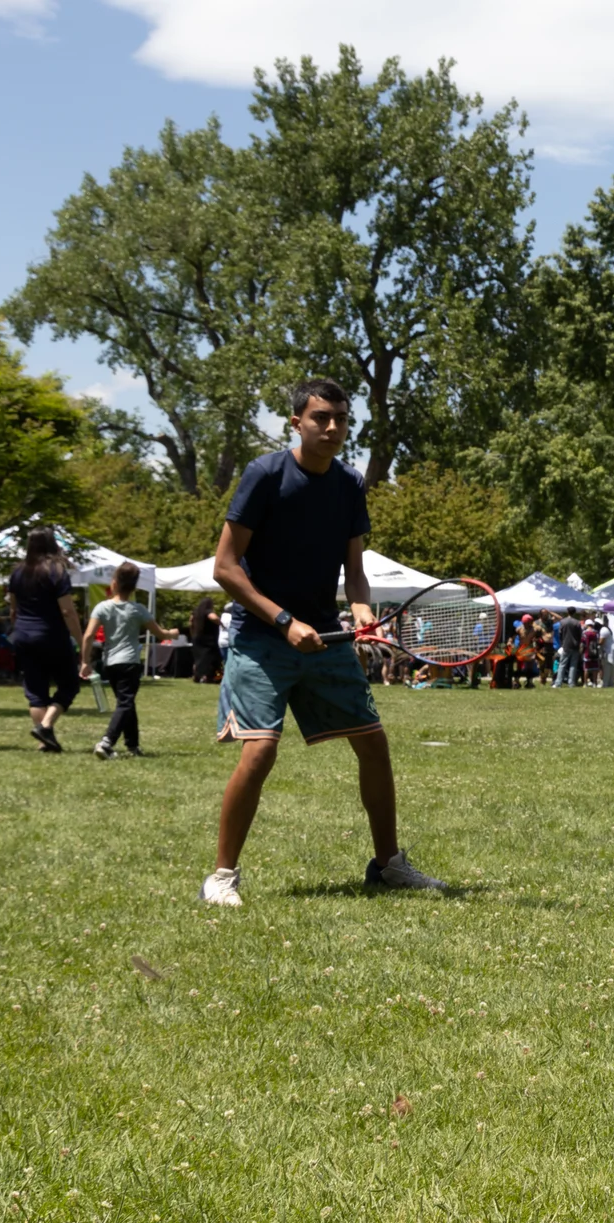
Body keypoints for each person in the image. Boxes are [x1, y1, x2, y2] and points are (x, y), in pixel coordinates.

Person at [202, 377, 443, 909]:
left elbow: (354, 571)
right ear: (296, 422)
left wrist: (361, 613)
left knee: (373, 744)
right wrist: (284, 620)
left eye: (340, 419)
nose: (332, 427)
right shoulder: (265, 475)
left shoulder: (350, 484)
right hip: (262, 637)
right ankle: (221, 876)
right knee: (261, 751)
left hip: (325, 635)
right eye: (320, 418)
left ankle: (388, 866)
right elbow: (225, 568)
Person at [81, 561, 176, 759]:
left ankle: (133, 746)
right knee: (125, 702)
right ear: (134, 587)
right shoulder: (138, 609)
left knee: (127, 703)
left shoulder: (102, 607)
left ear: (114, 583)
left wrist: (85, 661)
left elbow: (88, 636)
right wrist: (172, 634)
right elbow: (159, 633)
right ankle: (107, 742)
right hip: (130, 663)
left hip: (111, 663)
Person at [8, 526, 84, 752]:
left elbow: (13, 609)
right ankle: (46, 725)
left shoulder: (17, 572)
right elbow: (68, 611)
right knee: (69, 684)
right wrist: (81, 641)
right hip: (51, 634)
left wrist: (20, 630)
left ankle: (45, 741)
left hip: (23, 634)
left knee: (35, 690)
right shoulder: (57, 571)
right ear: (52, 544)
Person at [190, 595, 221, 683]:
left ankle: (196, 676)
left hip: (197, 638)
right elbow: (213, 617)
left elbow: (190, 621)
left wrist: (193, 632)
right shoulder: (208, 611)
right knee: (209, 659)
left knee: (198, 659)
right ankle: (208, 677)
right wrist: (221, 623)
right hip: (209, 639)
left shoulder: (195, 612)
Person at [556, 607, 584, 687]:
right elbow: (580, 635)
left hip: (566, 645)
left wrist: (562, 642)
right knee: (573, 665)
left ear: (567, 612)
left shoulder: (563, 622)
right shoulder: (577, 622)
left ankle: (558, 682)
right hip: (575, 645)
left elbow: (560, 633)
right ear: (574, 613)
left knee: (562, 664)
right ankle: (571, 683)